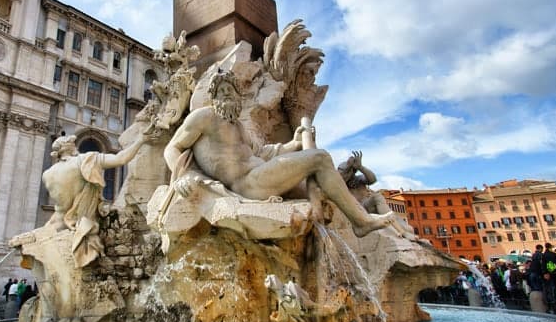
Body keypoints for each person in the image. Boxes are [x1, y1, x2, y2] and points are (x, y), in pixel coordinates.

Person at [163, 69, 399, 237]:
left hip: (260, 175)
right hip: (247, 184)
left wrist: (293, 144)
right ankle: (361, 222)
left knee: (321, 189)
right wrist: (182, 175)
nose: (226, 94)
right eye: (221, 91)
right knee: (320, 158)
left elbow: (263, 153)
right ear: (213, 97)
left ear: (237, 96)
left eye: (230, 90)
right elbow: (172, 147)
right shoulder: (204, 117)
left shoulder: (238, 126)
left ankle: (360, 212)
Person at [41, 130, 152, 267]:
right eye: (73, 143)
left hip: (55, 228)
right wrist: (141, 139)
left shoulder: (47, 174)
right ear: (70, 147)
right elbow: (121, 159)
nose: (75, 145)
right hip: (83, 228)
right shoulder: (86, 159)